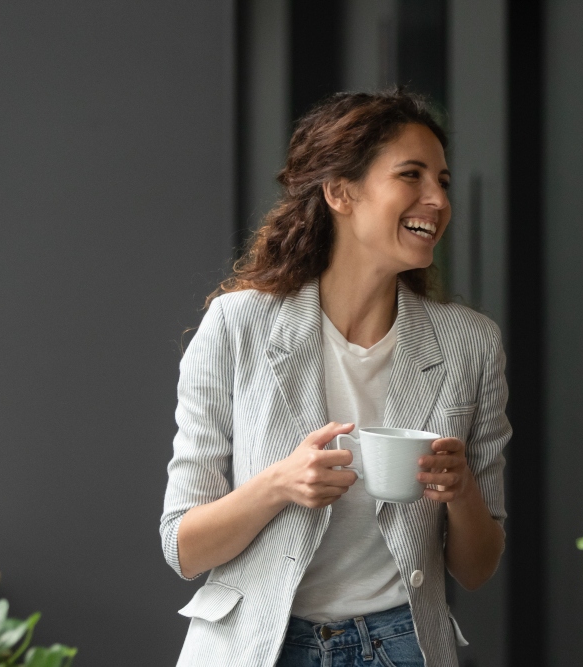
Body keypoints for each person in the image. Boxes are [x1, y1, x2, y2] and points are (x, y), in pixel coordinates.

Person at [160, 90, 509, 667]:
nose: (438, 200)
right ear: (340, 192)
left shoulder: (470, 344)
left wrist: (461, 489)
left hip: (401, 646)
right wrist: (280, 484)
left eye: (443, 181)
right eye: (412, 175)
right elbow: (183, 547)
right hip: (258, 646)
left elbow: (477, 568)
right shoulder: (238, 325)